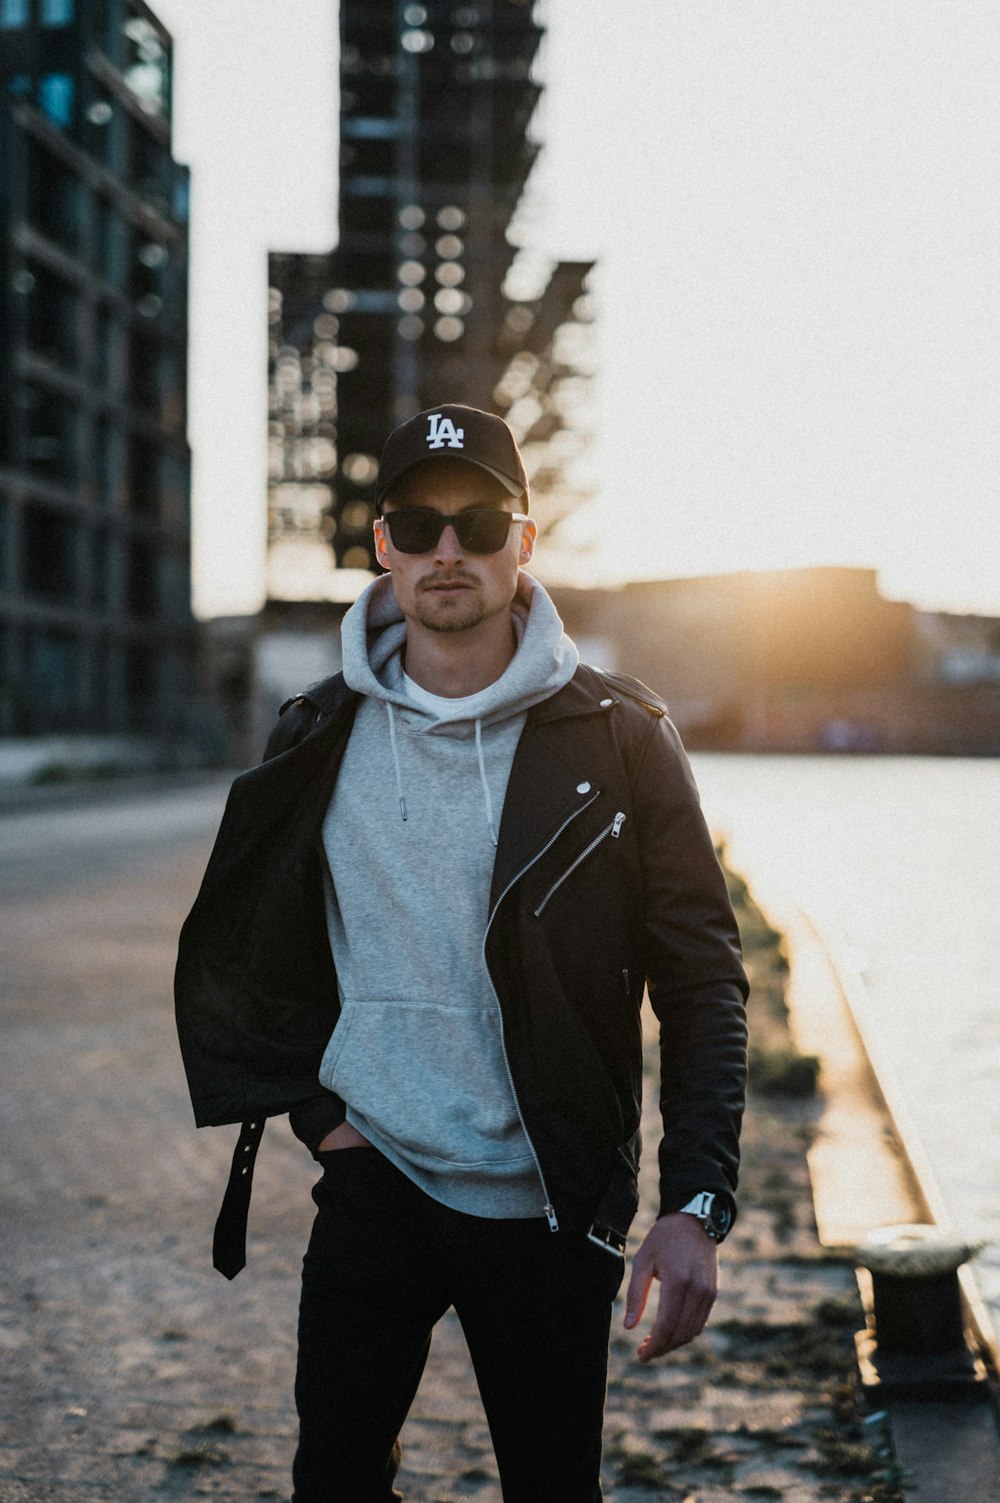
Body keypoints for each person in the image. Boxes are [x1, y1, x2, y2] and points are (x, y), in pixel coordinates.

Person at [175, 404, 748, 1503]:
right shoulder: (313, 730)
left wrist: (695, 1203)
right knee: (331, 1486)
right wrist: (319, 1119)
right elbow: (260, 950)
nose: (449, 549)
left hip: (548, 1202)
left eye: (479, 522)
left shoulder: (621, 737)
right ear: (382, 543)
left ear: (524, 542)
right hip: (370, 1178)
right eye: (419, 523)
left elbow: (702, 977)